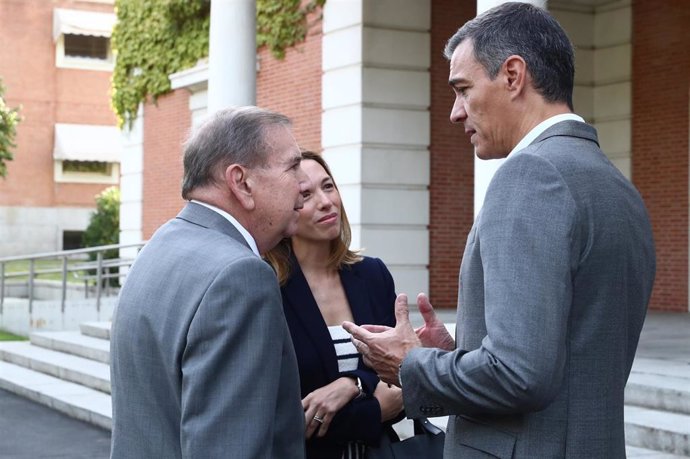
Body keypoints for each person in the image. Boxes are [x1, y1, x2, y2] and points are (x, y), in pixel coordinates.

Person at [343, 3, 656, 458]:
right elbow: (564, 353)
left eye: (463, 89)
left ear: (513, 75)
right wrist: (456, 352)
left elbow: (519, 376)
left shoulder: (530, 176)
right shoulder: (615, 184)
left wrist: (412, 364)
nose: (455, 112)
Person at [110, 106, 308, 459]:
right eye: (293, 166)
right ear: (241, 181)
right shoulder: (240, 276)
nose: (304, 183)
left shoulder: (160, 245)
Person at [265, 151, 404, 459]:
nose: (326, 201)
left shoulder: (372, 274)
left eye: (328, 186)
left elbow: (402, 382)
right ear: (285, 206)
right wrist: (374, 408)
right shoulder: (267, 288)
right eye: (306, 194)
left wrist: (352, 383)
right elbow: (285, 420)